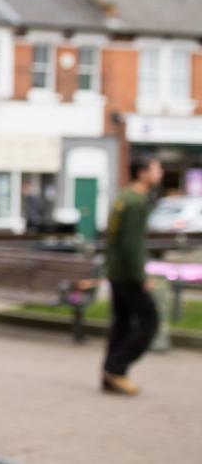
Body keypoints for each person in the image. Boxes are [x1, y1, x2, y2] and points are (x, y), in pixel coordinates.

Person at [101, 158, 163, 395]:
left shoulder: (123, 197)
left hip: (116, 270)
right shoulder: (136, 202)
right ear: (142, 173)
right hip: (128, 273)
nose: (160, 173)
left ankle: (110, 374)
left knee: (122, 324)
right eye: (156, 169)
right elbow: (132, 243)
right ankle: (116, 368)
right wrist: (140, 275)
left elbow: (114, 237)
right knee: (150, 322)